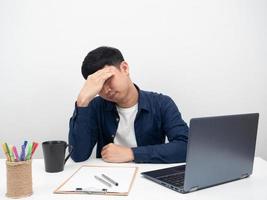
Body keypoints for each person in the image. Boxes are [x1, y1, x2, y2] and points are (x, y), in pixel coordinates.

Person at [68, 46, 188, 163]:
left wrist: (132, 153)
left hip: (149, 177)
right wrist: (82, 102)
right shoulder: (95, 106)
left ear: (124, 68)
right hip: (107, 177)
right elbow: (78, 156)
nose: (105, 90)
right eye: (98, 85)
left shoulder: (161, 103)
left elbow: (185, 147)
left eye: (107, 79)